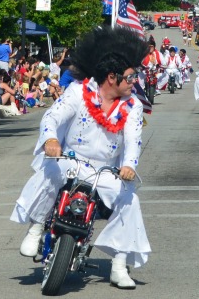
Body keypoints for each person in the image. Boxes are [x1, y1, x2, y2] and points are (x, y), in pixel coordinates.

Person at [10, 27, 150, 289]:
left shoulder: (134, 106)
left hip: (106, 172)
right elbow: (52, 117)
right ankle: (37, 227)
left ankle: (119, 266)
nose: (135, 82)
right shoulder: (78, 92)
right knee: (51, 170)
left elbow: (133, 140)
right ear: (112, 77)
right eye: (131, 77)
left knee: (129, 199)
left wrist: (129, 165)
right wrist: (51, 140)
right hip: (71, 161)